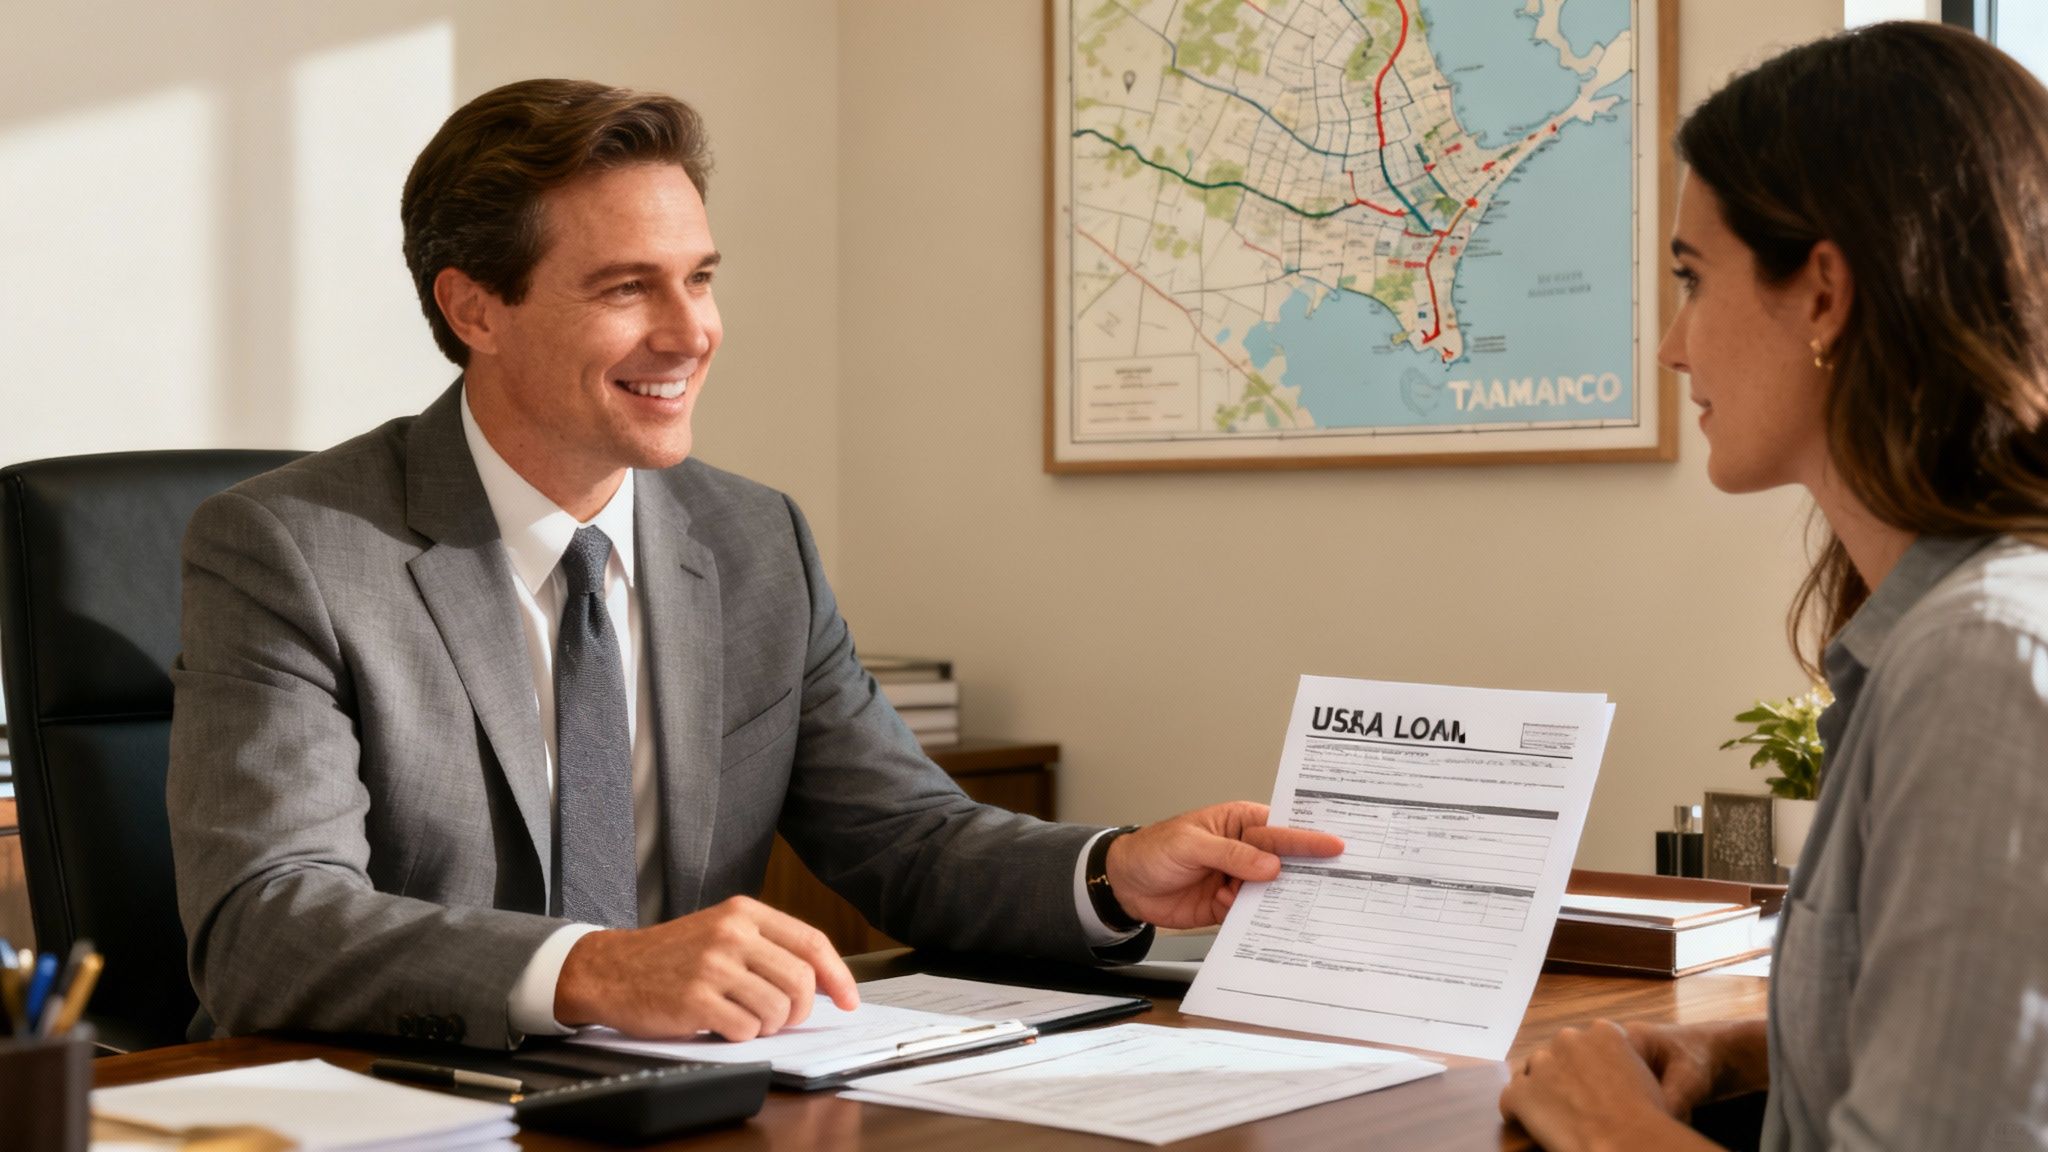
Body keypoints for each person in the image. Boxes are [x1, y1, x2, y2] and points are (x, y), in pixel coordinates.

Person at [165, 79, 1342, 1051]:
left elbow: (904, 839)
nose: (689, 332)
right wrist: (596, 971)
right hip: (395, 1101)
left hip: (682, 1099)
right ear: (475, 308)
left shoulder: (750, 538)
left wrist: (1113, 874)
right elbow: (266, 926)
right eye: (627, 287)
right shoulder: (292, 549)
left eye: (701, 276)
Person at [1497, 22, 2048, 1152]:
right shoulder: (1927, 633)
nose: (1671, 347)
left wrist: (1610, 1130)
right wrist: (1738, 1048)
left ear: (1824, 293)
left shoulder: (1981, 659)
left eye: (1692, 281)